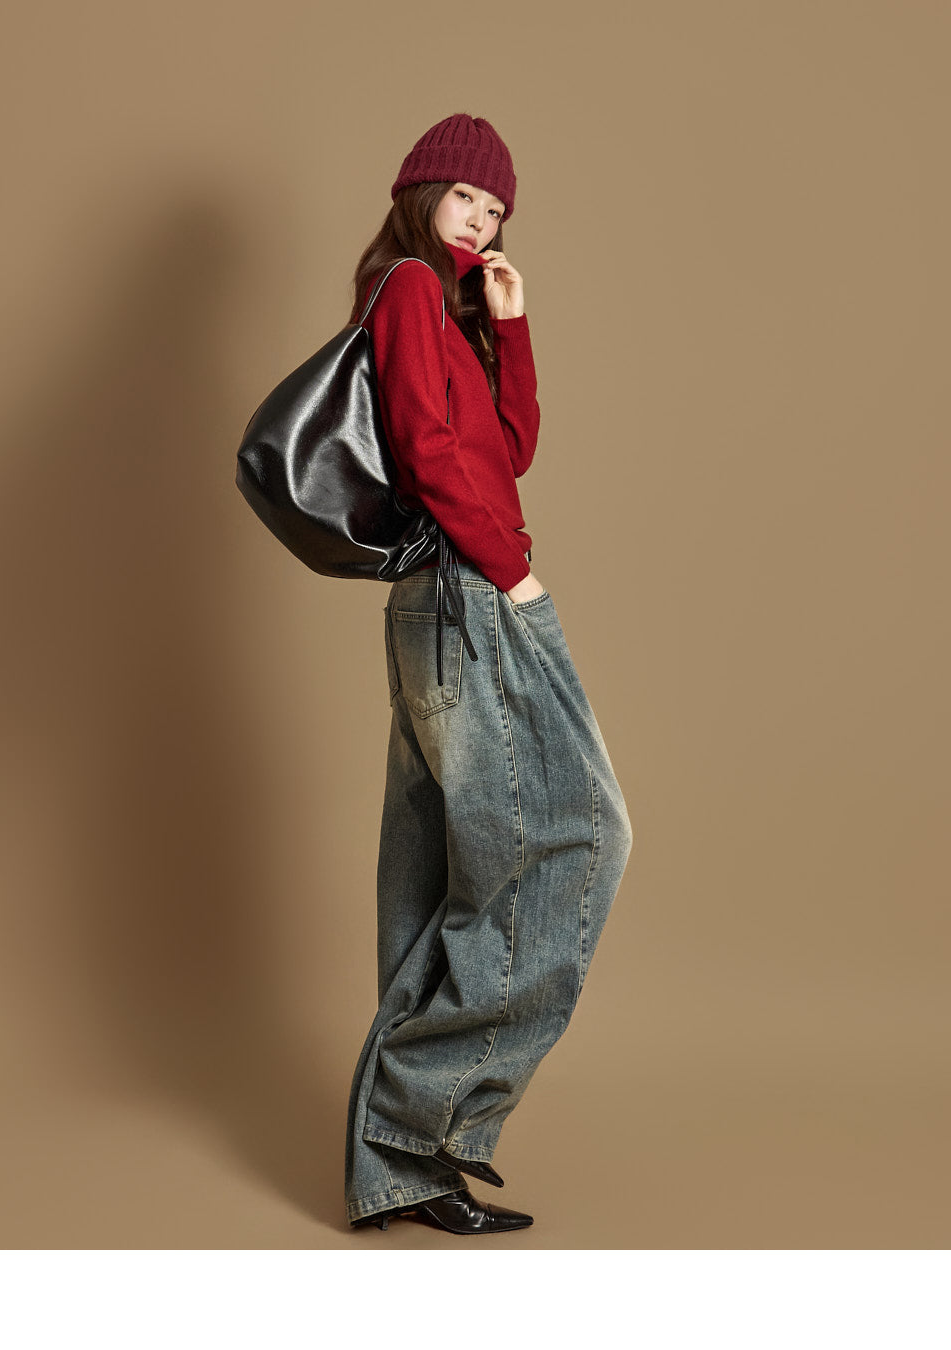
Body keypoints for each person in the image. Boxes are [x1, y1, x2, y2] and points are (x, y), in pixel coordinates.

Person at [344, 113, 633, 1235]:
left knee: (446, 868)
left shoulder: (442, 304)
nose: (481, 220)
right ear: (421, 191)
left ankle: (403, 1160)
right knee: (573, 838)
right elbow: (427, 449)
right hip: (469, 593)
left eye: (498, 209)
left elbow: (506, 452)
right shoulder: (410, 286)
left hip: (449, 597)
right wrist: (512, 574)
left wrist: (511, 328)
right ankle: (414, 1121)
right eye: (466, 196)